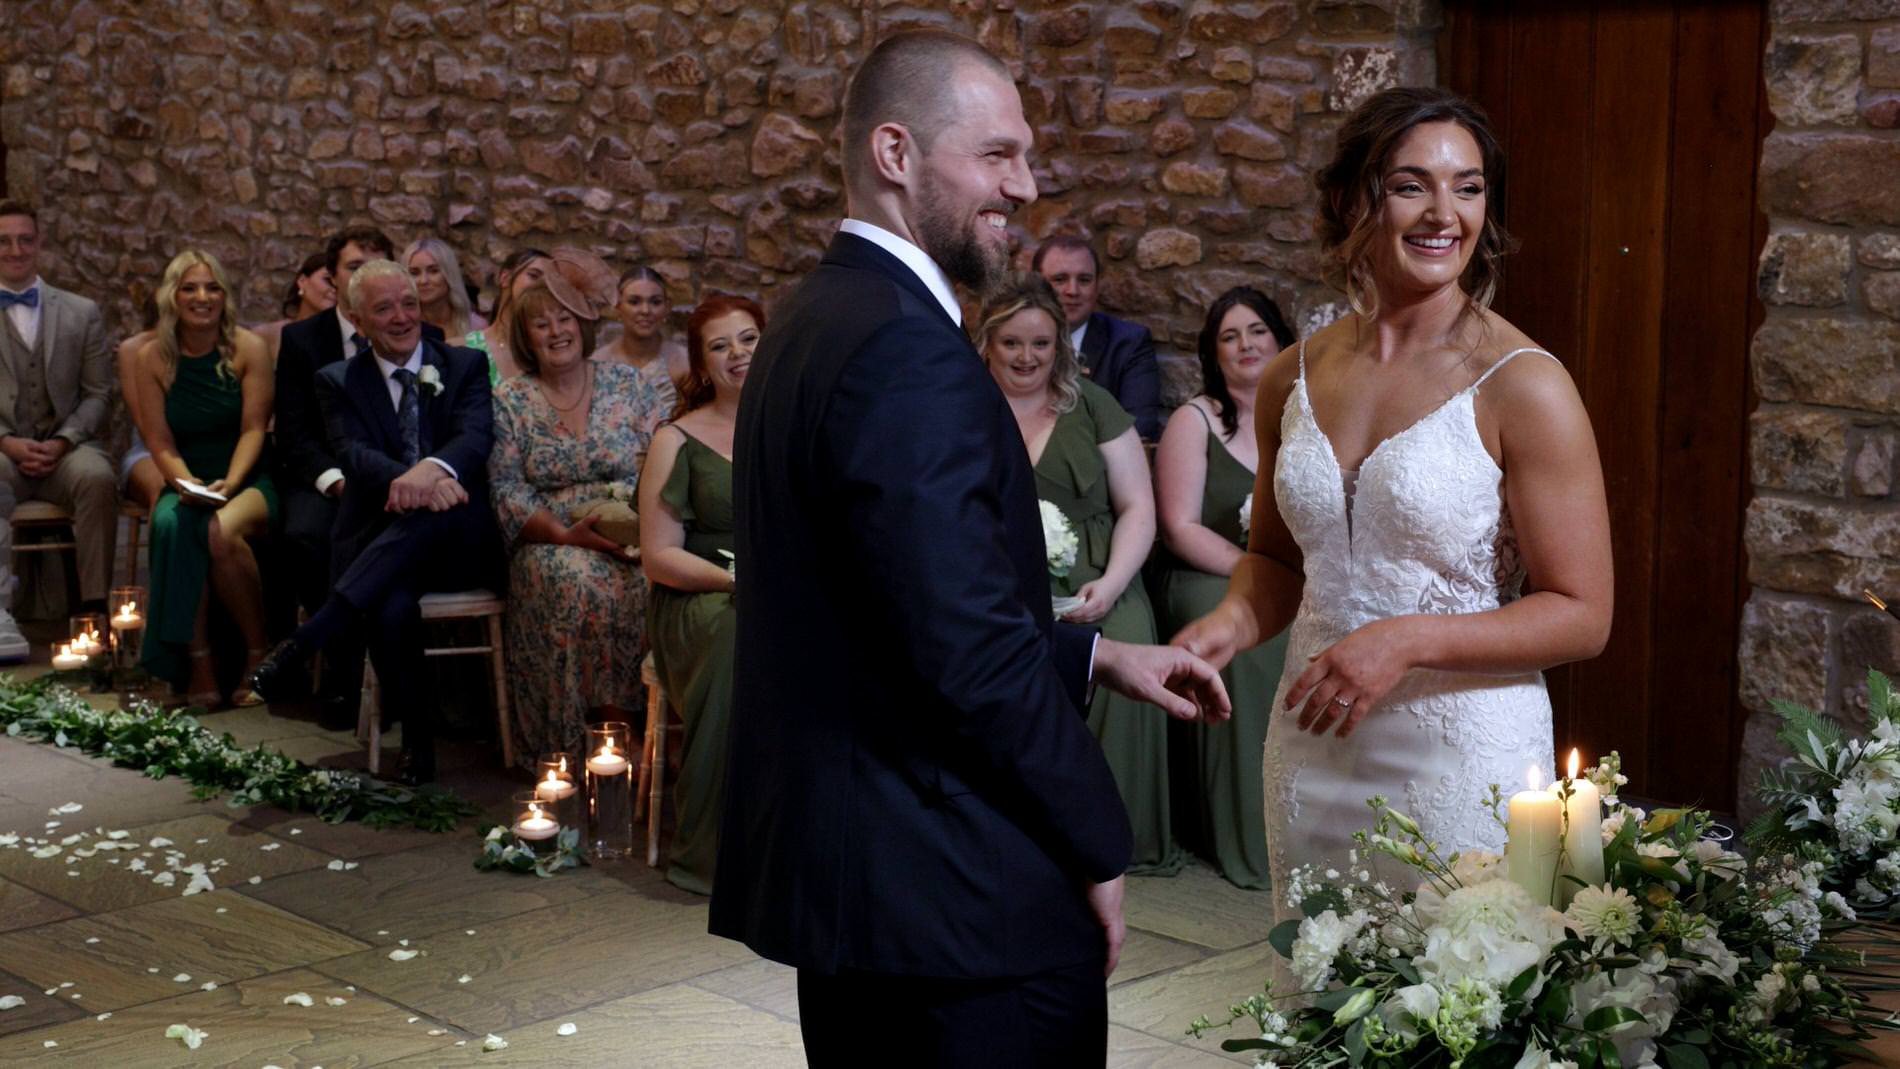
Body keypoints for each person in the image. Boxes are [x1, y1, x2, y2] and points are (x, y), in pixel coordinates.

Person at [711, 30, 1228, 1065]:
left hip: (871, 888)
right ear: (896, 153)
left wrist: (1093, 653)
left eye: (1025, 157)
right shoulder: (903, 347)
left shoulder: (815, 315)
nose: (1025, 185)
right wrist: (1093, 839)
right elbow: (968, 655)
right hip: (956, 897)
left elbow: (893, 607)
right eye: (996, 156)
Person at [1172, 87, 1613, 965]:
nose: (1444, 214)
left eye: (1470, 188)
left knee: (1458, 1008)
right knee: (1324, 996)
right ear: (1352, 200)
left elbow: (1582, 612)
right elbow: (1278, 561)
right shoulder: (1289, 375)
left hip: (1462, 753)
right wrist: (1224, 625)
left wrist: (1405, 640)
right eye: (1412, 186)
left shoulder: (1523, 383)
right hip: (1312, 744)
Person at [252, 259, 501, 784]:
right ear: (357, 321)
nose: (402, 317)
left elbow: (475, 438)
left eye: (409, 303)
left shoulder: (463, 366)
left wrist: (433, 470)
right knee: (389, 606)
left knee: (433, 523)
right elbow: (354, 454)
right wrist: (418, 483)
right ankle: (416, 741)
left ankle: (312, 635)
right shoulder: (337, 380)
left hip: (460, 544)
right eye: (383, 308)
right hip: (386, 539)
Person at [977, 276, 1180, 876]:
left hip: (1097, 575)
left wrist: (1114, 583)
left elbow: (1138, 507)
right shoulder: (961, 406)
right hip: (999, 583)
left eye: (1040, 343)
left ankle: (1121, 838)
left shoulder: (1091, 404)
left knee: (1130, 630)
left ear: (1059, 345)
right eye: (1011, 342)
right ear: (987, 342)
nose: (1026, 357)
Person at [1152, 286, 1295, 890]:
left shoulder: (1307, 414)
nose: (1245, 344)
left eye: (1256, 330)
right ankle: (1246, 836)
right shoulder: (1196, 420)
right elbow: (1179, 527)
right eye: (1229, 336)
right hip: (1206, 575)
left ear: (1280, 338)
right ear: (1214, 352)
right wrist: (1255, 570)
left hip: (1284, 578)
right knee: (1255, 646)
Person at [491, 277, 663, 771]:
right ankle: (596, 733)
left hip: (632, 526)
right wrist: (565, 533)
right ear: (527, 337)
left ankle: (650, 726)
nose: (556, 331)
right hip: (553, 536)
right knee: (580, 582)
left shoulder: (628, 384)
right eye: (541, 324)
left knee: (654, 581)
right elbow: (505, 488)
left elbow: (664, 457)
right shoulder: (510, 400)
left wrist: (646, 524)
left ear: (583, 326)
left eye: (564, 319)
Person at [273, 225, 444, 722]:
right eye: (353, 267)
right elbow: (296, 434)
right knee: (312, 534)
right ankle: (342, 675)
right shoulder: (304, 340)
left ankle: (384, 678)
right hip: (328, 477)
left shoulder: (427, 338)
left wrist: (410, 478)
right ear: (338, 282)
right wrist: (340, 480)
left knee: (384, 535)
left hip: (404, 477)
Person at [637, 293, 755, 895]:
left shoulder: (794, 424)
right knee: (739, 633)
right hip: (700, 598)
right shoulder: (676, 439)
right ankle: (714, 852)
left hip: (783, 592)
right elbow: (659, 557)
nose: (737, 354)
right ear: (701, 363)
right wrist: (738, 580)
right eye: (719, 345)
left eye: (748, 339)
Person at [129, 250, 276, 706]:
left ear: (225, 296)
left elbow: (254, 428)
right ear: (172, 296)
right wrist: (188, 486)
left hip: (247, 475)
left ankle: (258, 655)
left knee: (217, 531)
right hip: (185, 475)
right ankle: (199, 665)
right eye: (190, 287)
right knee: (171, 525)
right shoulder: (151, 357)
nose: (202, 296)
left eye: (212, 287)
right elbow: (159, 441)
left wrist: (228, 485)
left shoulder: (249, 348)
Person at [0, 201, 117, 657]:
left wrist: (65, 439)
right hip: (4, 448)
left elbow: (98, 393)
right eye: (4, 241)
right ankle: (1, 613)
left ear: (39, 243)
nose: (15, 249)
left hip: (64, 447)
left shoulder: (79, 311)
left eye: (25, 239)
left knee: (98, 478)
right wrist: (7, 442)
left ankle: (94, 611)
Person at [1033, 235, 1161, 442]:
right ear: (1037, 283)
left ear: (1097, 285)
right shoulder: (1011, 342)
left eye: (1084, 280)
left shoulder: (1128, 344)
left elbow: (1139, 429)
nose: (1072, 291)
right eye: (1059, 279)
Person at [590, 265, 688, 409]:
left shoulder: (686, 363)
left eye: (655, 302)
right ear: (617, 307)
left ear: (667, 307)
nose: (645, 310)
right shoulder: (598, 365)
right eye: (634, 302)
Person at [464, 247, 551, 383]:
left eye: (548, 283)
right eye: (534, 276)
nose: (541, 286)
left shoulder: (548, 351)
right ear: (505, 278)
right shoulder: (463, 348)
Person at [113, 295, 166, 513]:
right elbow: (147, 428)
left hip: (209, 448)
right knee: (168, 489)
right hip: (151, 451)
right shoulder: (135, 349)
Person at [252, 253, 335, 364]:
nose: (334, 290)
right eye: (328, 280)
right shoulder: (267, 335)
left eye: (340, 285)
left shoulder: (346, 341)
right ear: (302, 281)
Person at [404, 237, 486, 341]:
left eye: (433, 271)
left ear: (450, 274)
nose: (423, 281)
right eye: (414, 273)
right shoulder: (403, 328)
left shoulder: (476, 326)